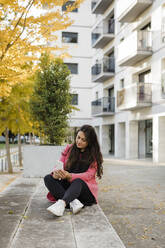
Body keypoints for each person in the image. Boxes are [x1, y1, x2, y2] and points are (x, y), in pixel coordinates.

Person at [44, 124, 103, 217]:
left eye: (83, 140)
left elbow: (89, 175)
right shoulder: (69, 149)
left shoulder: (94, 155)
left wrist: (70, 176)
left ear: (90, 142)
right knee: (48, 178)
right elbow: (59, 163)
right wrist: (56, 173)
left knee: (78, 181)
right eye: (78, 137)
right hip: (69, 189)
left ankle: (62, 203)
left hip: (84, 192)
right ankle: (73, 202)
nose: (79, 141)